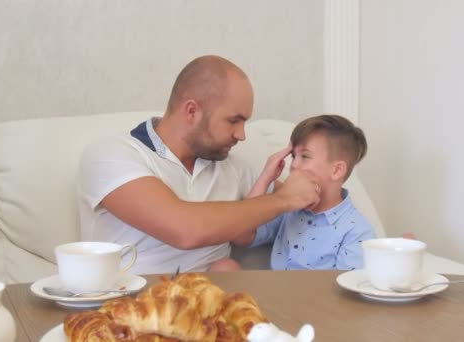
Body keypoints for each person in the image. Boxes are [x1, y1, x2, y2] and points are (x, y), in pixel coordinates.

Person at [77, 55, 320, 274]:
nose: (241, 135)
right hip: (135, 304)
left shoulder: (233, 167)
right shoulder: (113, 154)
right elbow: (185, 230)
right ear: (192, 111)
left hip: (212, 305)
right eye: (233, 121)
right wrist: (282, 200)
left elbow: (310, 201)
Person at [232, 115, 377, 270]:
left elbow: (347, 289)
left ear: (336, 170)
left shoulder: (356, 232)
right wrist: (266, 177)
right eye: (293, 156)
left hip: (319, 294)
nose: (294, 164)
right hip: (276, 292)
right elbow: (240, 235)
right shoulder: (289, 210)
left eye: (305, 156)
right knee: (225, 266)